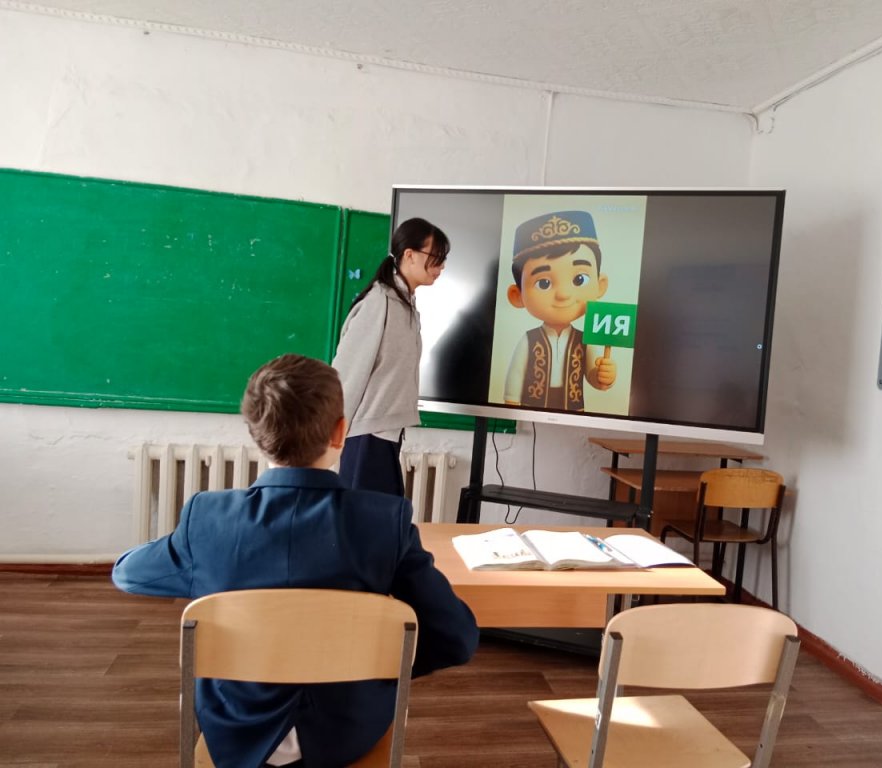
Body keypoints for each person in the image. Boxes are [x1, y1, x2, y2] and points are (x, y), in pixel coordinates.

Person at [112, 353, 478, 768]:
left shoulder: (208, 520)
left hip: (238, 735)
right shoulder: (384, 522)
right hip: (346, 736)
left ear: (256, 434)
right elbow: (457, 638)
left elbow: (127, 573)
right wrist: (383, 666)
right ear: (340, 431)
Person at [332, 217, 450, 495]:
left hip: (384, 433)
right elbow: (347, 373)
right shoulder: (379, 302)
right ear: (409, 255)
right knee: (366, 518)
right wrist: (331, 436)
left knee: (383, 516)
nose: (441, 267)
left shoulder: (404, 303)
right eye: (435, 258)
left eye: (443, 260)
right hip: (366, 436)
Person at [503, 210, 616, 410]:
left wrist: (603, 376)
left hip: (573, 408)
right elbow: (516, 374)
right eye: (544, 283)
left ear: (600, 286)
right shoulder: (528, 340)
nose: (563, 294)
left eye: (579, 279)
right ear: (517, 295)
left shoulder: (585, 340)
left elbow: (593, 376)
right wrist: (511, 403)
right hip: (532, 407)